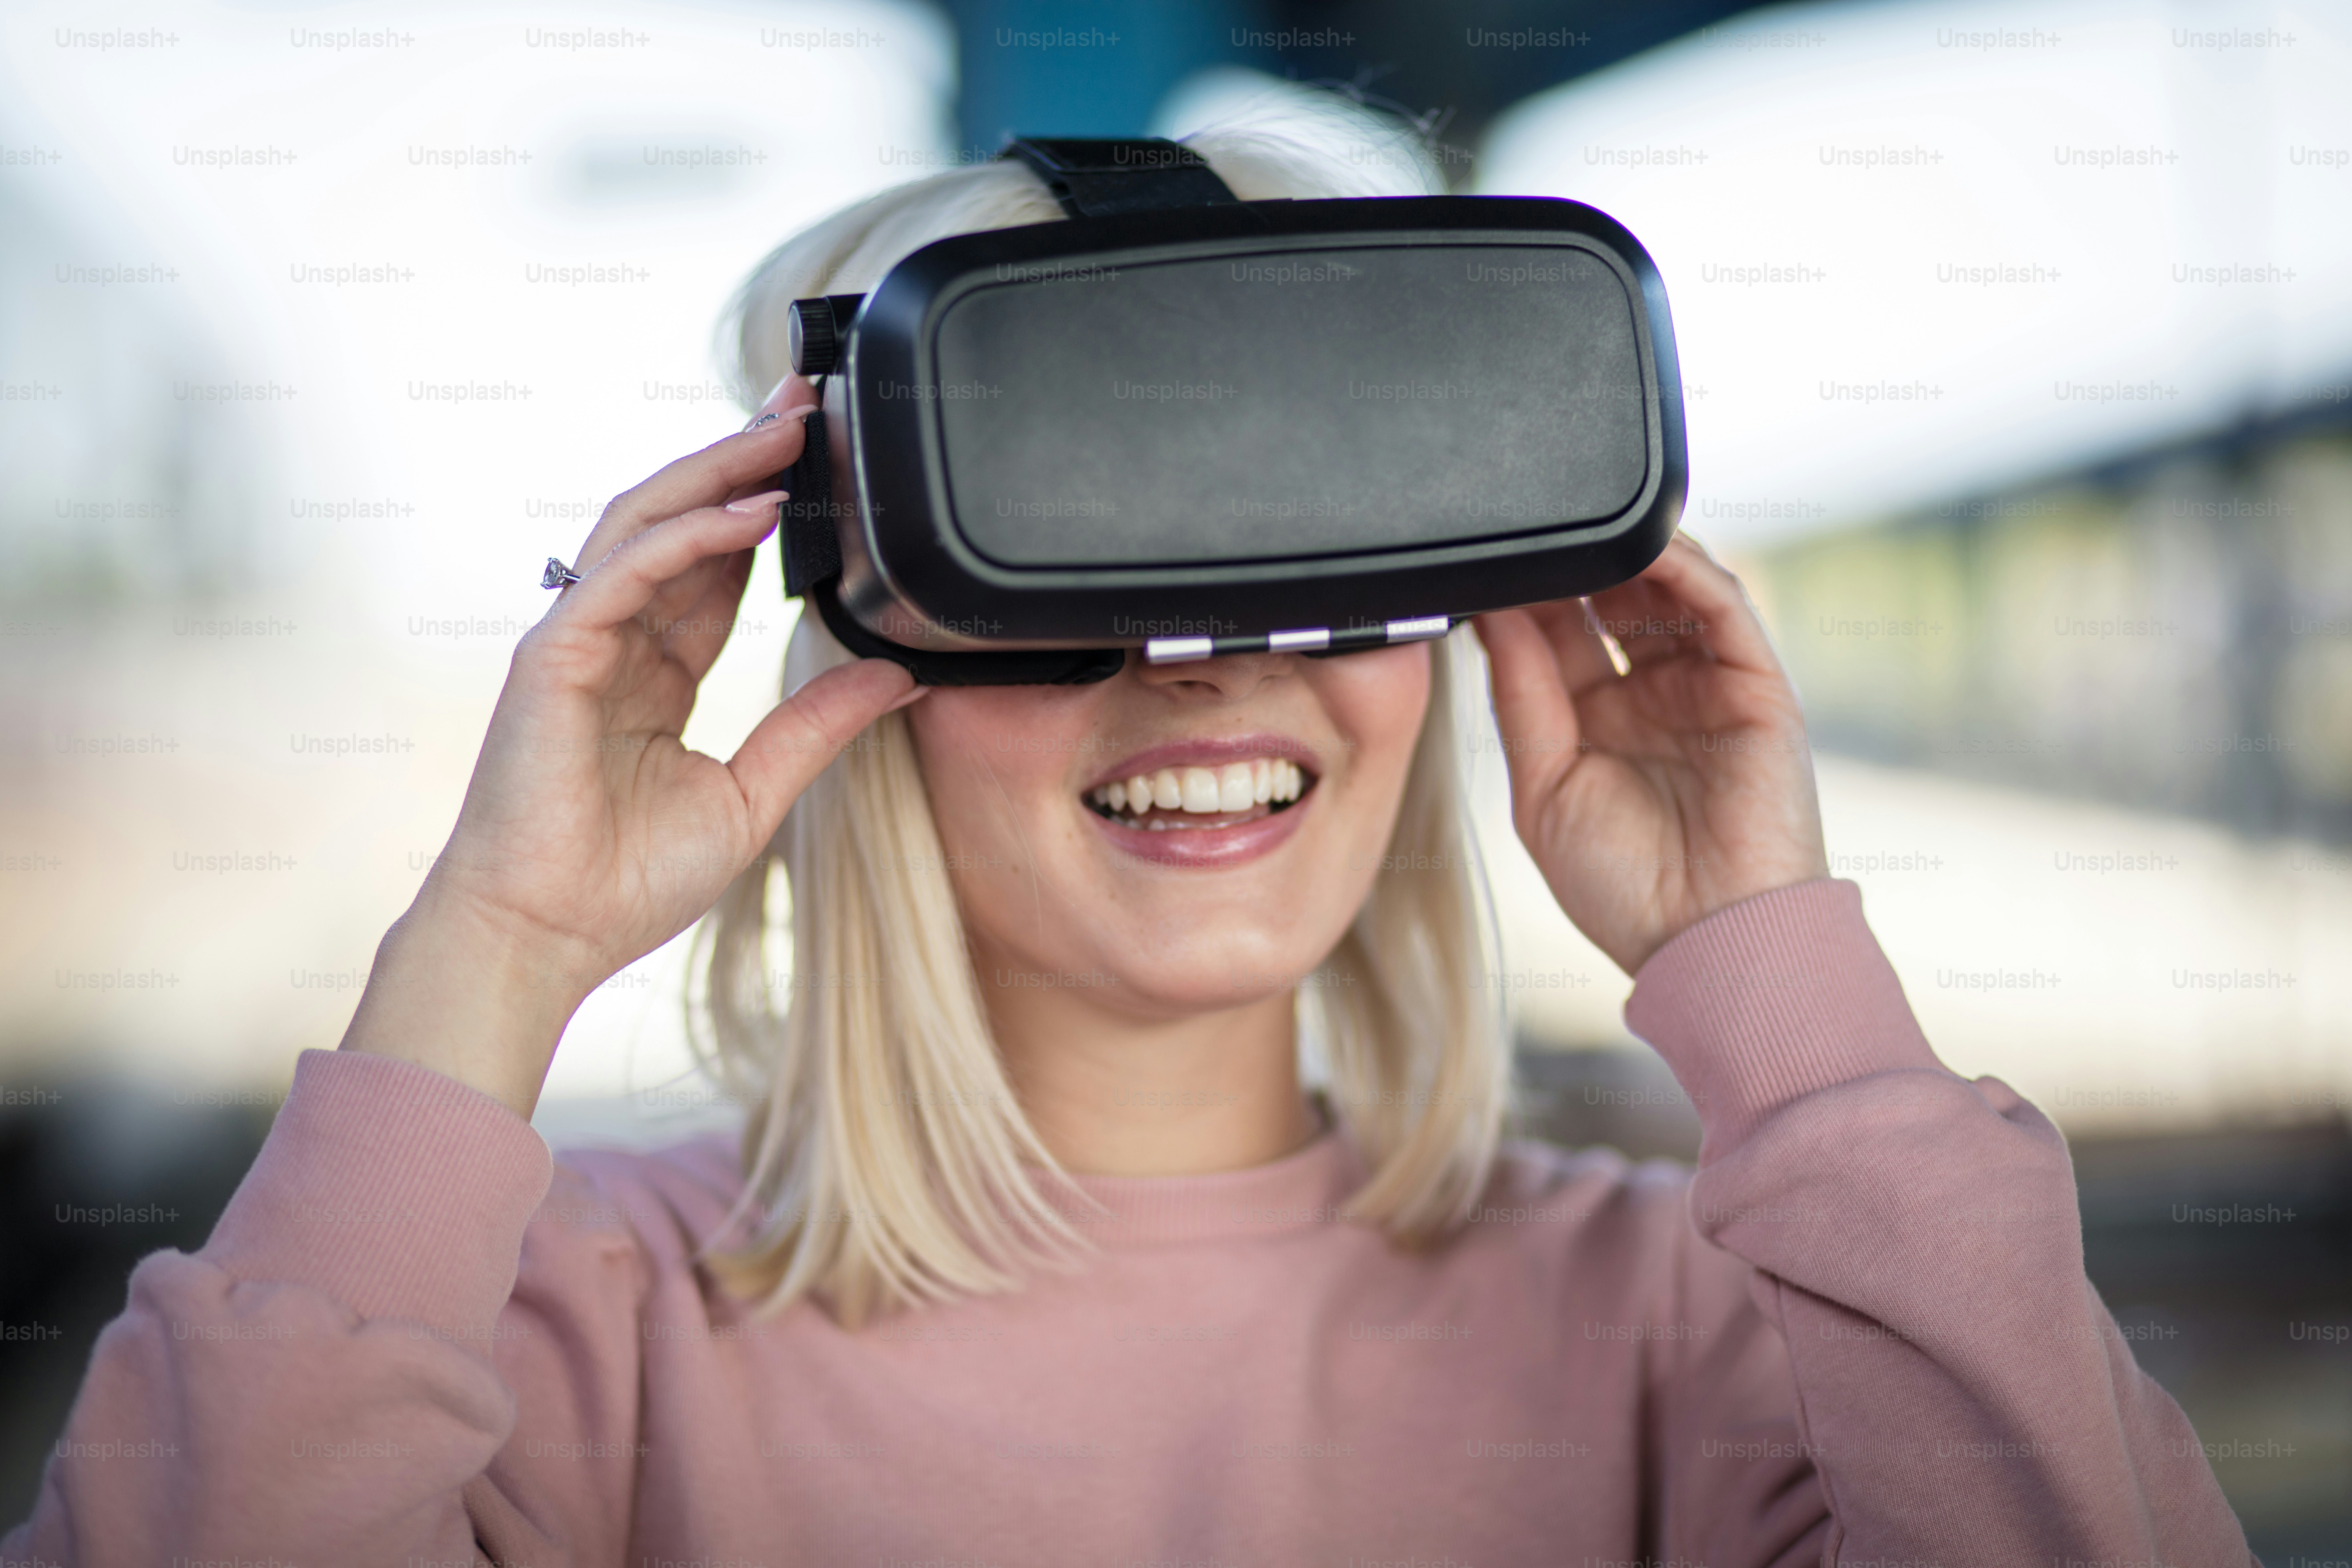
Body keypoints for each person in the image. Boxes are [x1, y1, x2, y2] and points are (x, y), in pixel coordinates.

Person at [4, 118, 2252, 1568]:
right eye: (1067, 557)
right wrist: (492, 941)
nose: (1205, 660)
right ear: (860, 614)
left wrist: (1779, 974)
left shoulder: (1709, 1314)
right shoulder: (542, 1329)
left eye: (1312, 548)